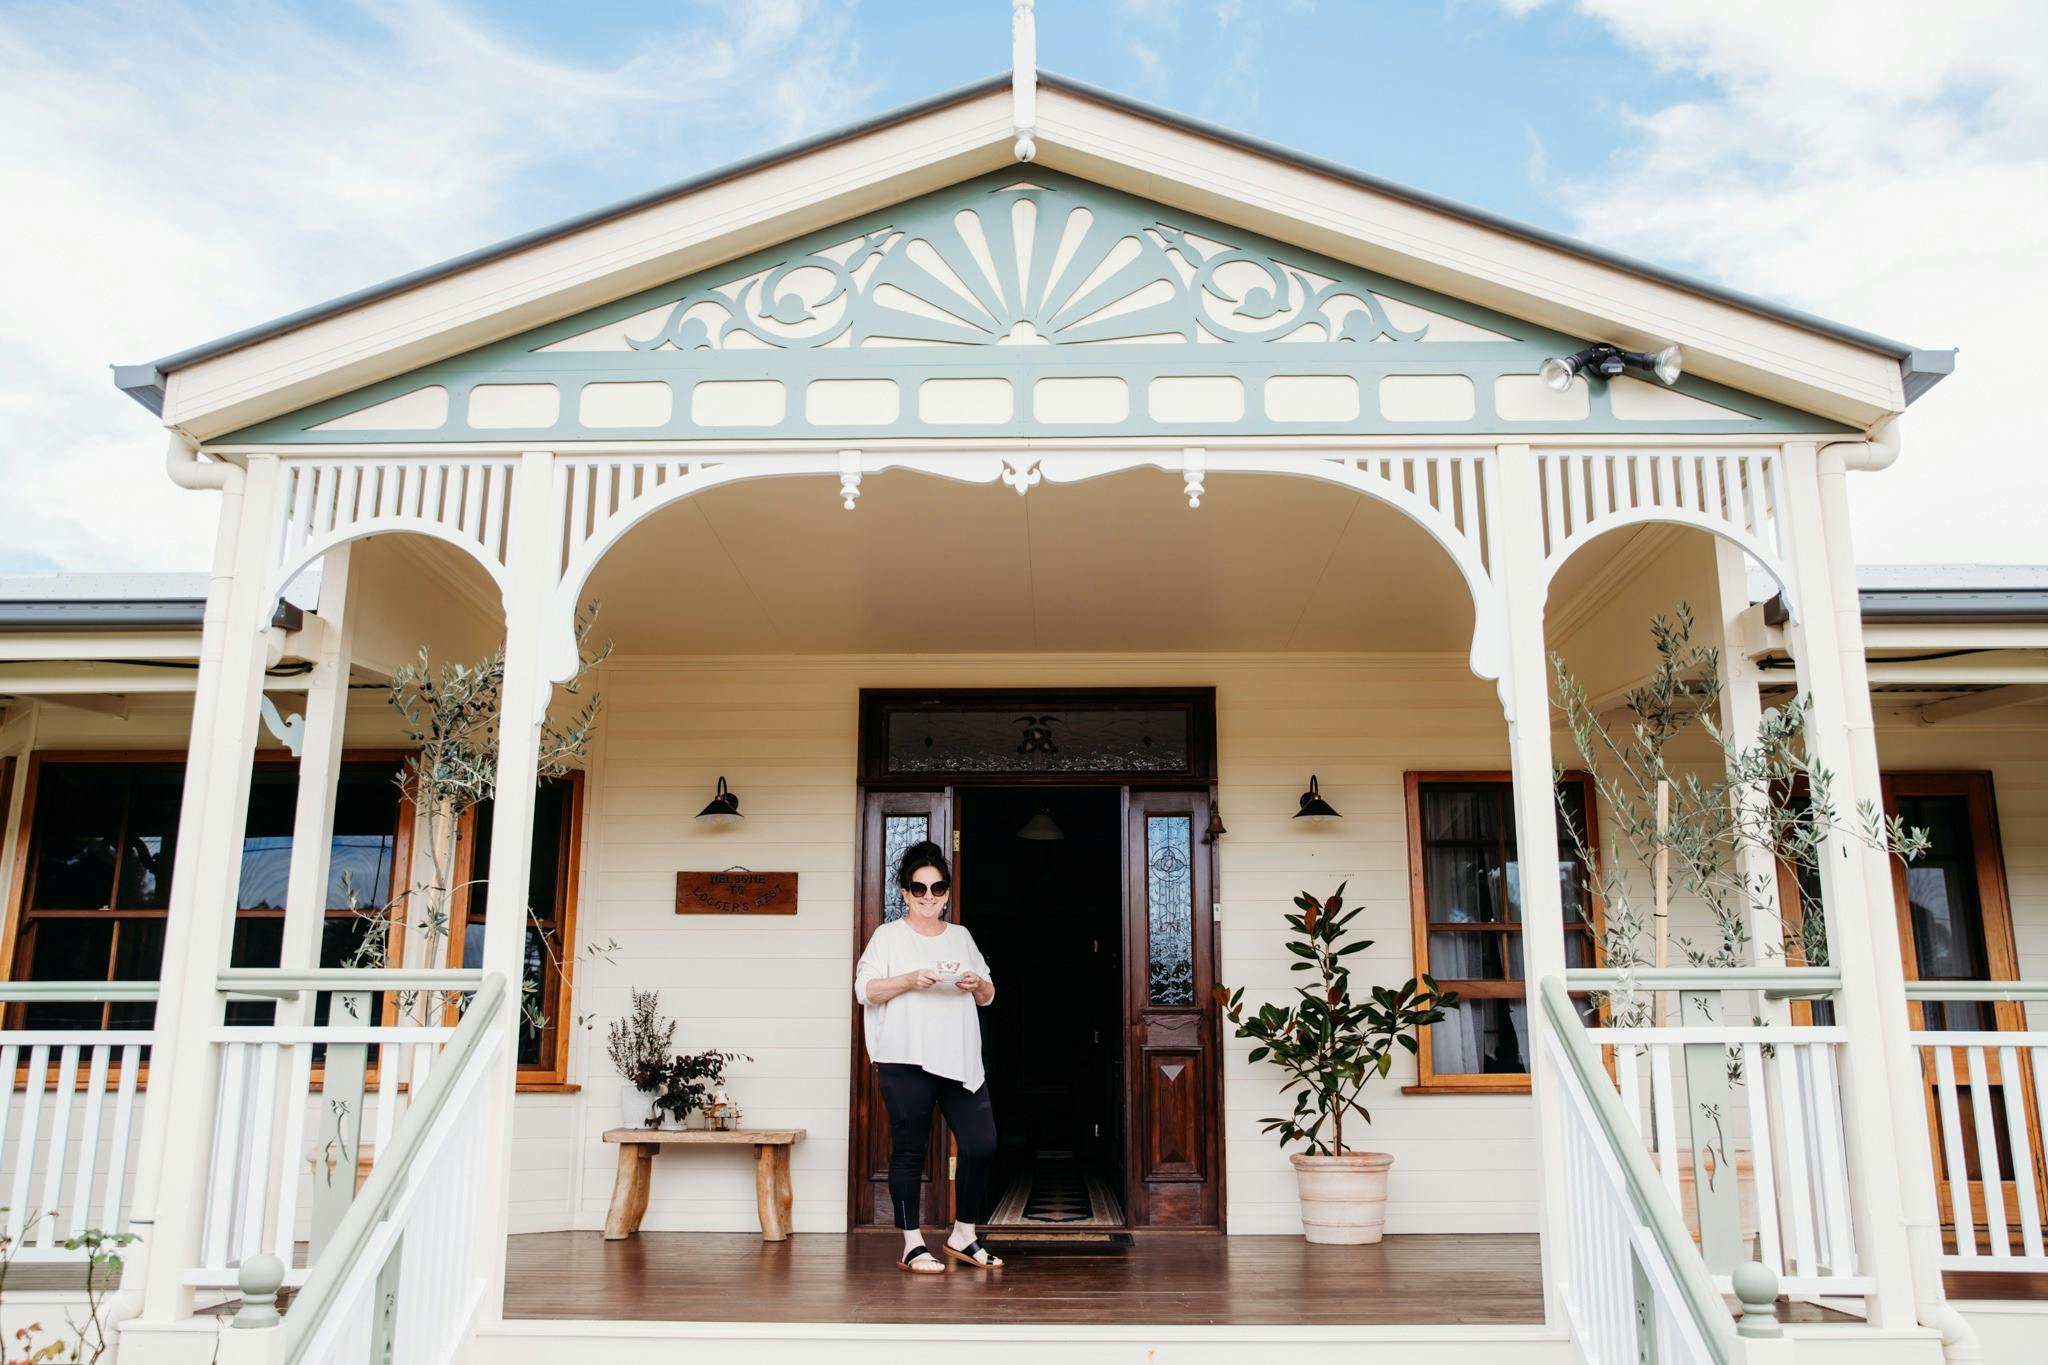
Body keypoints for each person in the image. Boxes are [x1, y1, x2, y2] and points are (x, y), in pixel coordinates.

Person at [853, 840, 1004, 1274]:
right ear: (904, 893)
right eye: (919, 890)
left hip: (958, 1059)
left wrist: (975, 983)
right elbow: (865, 991)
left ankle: (963, 1235)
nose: (928, 898)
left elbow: (989, 996)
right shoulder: (887, 936)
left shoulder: (961, 937)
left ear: (947, 893)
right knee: (909, 1151)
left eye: (937, 889)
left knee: (981, 1143)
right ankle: (912, 1243)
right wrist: (908, 980)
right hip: (904, 1058)